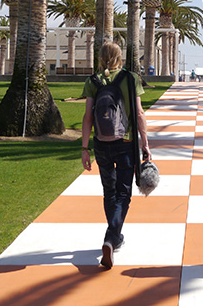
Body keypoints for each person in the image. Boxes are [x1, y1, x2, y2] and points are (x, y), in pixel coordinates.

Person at [81, 41, 151, 270]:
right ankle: (112, 237)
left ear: (100, 58)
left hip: (101, 144)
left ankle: (114, 236)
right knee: (124, 193)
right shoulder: (131, 79)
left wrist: (84, 149)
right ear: (120, 57)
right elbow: (139, 114)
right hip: (126, 142)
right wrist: (146, 144)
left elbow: (88, 117)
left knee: (109, 192)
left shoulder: (92, 81)